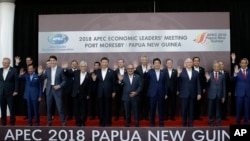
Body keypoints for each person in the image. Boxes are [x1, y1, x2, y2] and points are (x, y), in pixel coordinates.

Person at [38, 55, 66, 126]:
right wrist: (40, 74)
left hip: (57, 90)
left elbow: (64, 81)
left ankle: (63, 122)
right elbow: (42, 78)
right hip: (49, 90)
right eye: (51, 61)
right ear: (49, 62)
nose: (52, 62)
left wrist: (59, 86)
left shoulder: (60, 69)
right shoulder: (47, 70)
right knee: (49, 107)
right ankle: (49, 122)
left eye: (53, 60)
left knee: (60, 107)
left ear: (56, 61)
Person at [62, 61, 91, 126]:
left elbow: (89, 86)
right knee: (76, 109)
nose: (83, 67)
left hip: (84, 95)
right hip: (76, 94)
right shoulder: (76, 72)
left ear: (86, 67)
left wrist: (88, 94)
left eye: (84, 66)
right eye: (81, 66)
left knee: (84, 110)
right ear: (80, 67)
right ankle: (78, 122)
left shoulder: (88, 75)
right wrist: (65, 69)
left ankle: (83, 122)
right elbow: (68, 74)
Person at [177, 58, 201, 127]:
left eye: (190, 62)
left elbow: (198, 83)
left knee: (191, 110)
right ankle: (184, 124)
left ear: (192, 63)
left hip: (193, 94)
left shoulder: (196, 72)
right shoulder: (181, 72)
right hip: (184, 94)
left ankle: (191, 124)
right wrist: (178, 75)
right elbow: (178, 83)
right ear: (185, 64)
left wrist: (199, 93)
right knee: (184, 110)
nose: (189, 63)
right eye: (188, 62)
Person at [93, 57, 116, 127]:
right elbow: (95, 83)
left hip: (108, 93)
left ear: (108, 63)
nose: (104, 63)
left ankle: (108, 122)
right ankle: (102, 122)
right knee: (100, 108)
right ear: (101, 63)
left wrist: (114, 91)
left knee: (108, 108)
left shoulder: (112, 72)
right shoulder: (97, 71)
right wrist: (94, 80)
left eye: (106, 62)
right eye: (103, 62)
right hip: (99, 93)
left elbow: (114, 83)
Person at [147, 58, 168, 127]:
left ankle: (161, 123)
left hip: (161, 93)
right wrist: (147, 70)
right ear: (153, 64)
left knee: (161, 109)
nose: (157, 64)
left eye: (158, 63)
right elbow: (144, 78)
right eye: (155, 63)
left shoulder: (164, 72)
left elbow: (166, 83)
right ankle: (152, 123)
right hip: (152, 93)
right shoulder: (150, 72)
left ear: (160, 64)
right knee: (152, 109)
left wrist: (166, 93)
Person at [205, 62, 226, 126]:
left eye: (218, 67)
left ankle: (218, 122)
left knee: (218, 110)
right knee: (210, 110)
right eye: (215, 66)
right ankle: (211, 122)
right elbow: (206, 86)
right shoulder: (209, 75)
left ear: (219, 68)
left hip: (219, 95)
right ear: (213, 67)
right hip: (211, 95)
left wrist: (224, 96)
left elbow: (224, 86)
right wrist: (207, 80)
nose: (217, 68)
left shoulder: (222, 75)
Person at [0, 57, 19, 126]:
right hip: (1, 93)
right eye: (3, 62)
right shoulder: (0, 70)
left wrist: (16, 90)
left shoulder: (14, 70)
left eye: (5, 63)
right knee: (3, 109)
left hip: (11, 93)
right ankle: (3, 123)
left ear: (9, 63)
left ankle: (12, 123)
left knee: (11, 109)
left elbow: (16, 82)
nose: (3, 64)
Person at [231, 58, 250, 125]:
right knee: (238, 109)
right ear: (240, 64)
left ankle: (246, 122)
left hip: (248, 93)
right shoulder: (237, 71)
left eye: (245, 63)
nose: (243, 64)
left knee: (247, 109)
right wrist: (235, 74)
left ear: (247, 63)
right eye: (242, 63)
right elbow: (232, 80)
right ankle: (238, 122)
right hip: (239, 93)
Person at [135, 56, 150, 120]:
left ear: (147, 61)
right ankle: (140, 116)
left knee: (147, 103)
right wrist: (147, 71)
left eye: (145, 60)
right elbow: (140, 78)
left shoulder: (150, 68)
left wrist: (148, 70)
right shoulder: (137, 68)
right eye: (143, 60)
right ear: (141, 61)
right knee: (140, 103)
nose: (144, 61)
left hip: (148, 88)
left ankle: (146, 116)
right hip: (140, 89)